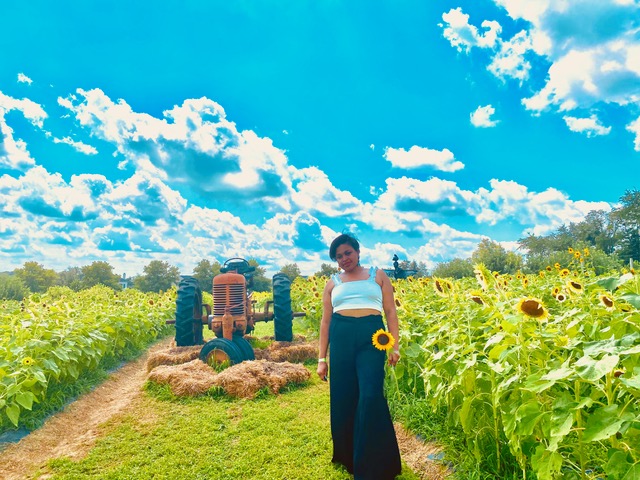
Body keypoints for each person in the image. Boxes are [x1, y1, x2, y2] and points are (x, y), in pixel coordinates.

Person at [316, 233, 402, 479]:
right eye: (339, 256)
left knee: (371, 394)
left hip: (372, 338)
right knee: (344, 397)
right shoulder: (333, 283)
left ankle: (374, 463)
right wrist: (322, 359)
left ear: (357, 252)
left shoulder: (378, 275)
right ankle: (348, 457)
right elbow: (325, 321)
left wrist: (394, 346)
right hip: (341, 337)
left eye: (348, 253)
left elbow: (390, 311)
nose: (344, 259)